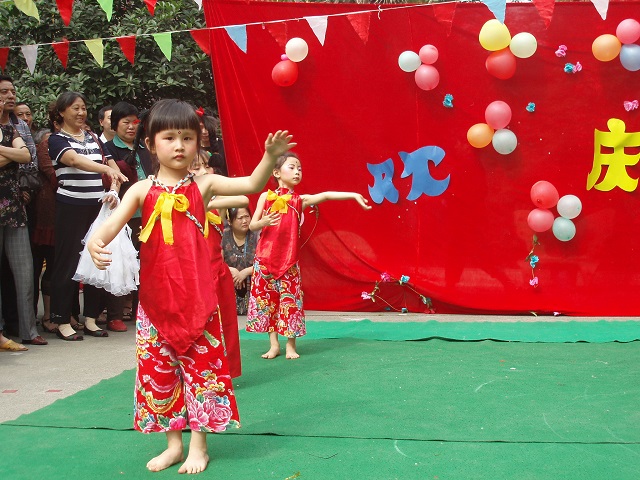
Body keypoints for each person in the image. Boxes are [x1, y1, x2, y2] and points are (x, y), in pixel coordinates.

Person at [86, 98, 295, 473]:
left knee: (204, 373)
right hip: (155, 304)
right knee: (159, 373)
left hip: (199, 302)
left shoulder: (205, 184)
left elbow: (251, 184)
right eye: (169, 138)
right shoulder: (141, 189)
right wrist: (94, 245)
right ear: (150, 144)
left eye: (187, 138)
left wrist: (269, 157)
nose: (179, 145)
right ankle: (173, 445)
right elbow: (109, 226)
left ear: (198, 143)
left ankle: (199, 447)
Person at [246, 152, 371, 359]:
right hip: (264, 259)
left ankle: (290, 346)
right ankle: (274, 345)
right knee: (268, 303)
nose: (297, 171)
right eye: (292, 167)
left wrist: (353, 195)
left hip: (288, 261)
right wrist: (263, 222)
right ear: (276, 172)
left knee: (290, 303)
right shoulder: (264, 197)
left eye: (299, 168)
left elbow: (326, 195)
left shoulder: (299, 200)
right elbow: (252, 225)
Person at [47, 92, 127, 341]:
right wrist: (105, 169)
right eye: (75, 108)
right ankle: (61, 319)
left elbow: (113, 168)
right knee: (67, 262)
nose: (81, 113)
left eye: (83, 108)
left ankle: (91, 318)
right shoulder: (56, 139)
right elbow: (75, 160)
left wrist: (113, 191)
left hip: (97, 208)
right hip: (70, 207)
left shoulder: (93, 138)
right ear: (62, 112)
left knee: (96, 262)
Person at [0, 97, 44, 347]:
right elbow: (18, 155)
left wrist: (8, 152)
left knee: (25, 271)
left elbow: (26, 155)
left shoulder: (10, 130)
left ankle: (29, 330)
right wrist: (12, 155)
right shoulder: (10, 136)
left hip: (14, 208)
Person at [104, 104, 152, 325]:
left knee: (147, 262)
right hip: (124, 214)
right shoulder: (108, 149)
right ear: (115, 125)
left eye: (135, 122)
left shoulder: (146, 147)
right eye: (126, 122)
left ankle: (142, 310)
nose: (132, 126)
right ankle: (115, 314)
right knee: (122, 263)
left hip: (149, 212)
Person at [222, 207, 259, 315]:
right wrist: (230, 270)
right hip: (229, 287)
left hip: (253, 288)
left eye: (247, 216)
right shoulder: (222, 235)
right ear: (230, 221)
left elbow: (266, 263)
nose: (245, 221)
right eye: (240, 218)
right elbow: (215, 263)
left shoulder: (257, 235)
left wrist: (245, 272)